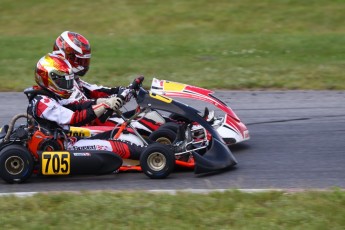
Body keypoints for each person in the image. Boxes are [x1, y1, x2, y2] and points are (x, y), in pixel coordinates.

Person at [27, 53, 146, 160]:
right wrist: (104, 105)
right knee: (116, 146)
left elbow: (76, 105)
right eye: (62, 81)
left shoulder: (50, 97)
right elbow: (76, 118)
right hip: (66, 146)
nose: (67, 85)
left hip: (71, 137)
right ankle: (153, 155)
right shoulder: (42, 103)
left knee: (119, 133)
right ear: (47, 79)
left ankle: (155, 148)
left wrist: (101, 101)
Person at [52, 31, 161, 132]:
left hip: (99, 119)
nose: (83, 65)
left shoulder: (74, 79)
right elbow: (79, 107)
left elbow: (95, 90)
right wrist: (105, 103)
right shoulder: (59, 84)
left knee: (151, 116)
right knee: (150, 125)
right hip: (87, 128)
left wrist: (122, 91)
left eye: (85, 61)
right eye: (80, 60)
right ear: (66, 56)